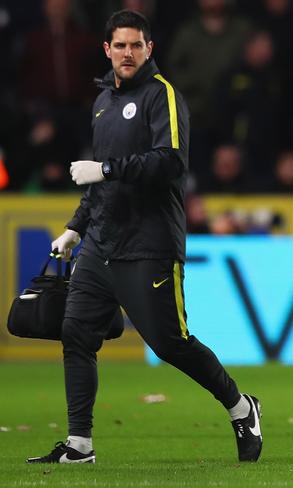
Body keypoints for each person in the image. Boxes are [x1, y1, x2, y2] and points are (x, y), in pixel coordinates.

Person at [26, 10, 262, 464]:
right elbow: (102, 182)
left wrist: (107, 169)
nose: (128, 53)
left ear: (149, 48)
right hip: (101, 243)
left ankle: (240, 406)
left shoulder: (162, 96)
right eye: (120, 46)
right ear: (107, 50)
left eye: (136, 45)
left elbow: (171, 161)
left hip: (150, 241)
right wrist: (77, 226)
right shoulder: (102, 103)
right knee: (75, 331)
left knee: (170, 342)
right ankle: (80, 444)